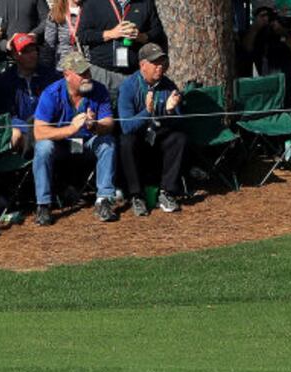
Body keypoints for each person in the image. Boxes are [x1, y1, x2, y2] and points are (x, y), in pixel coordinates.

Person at [32, 50, 118, 225]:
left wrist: (95, 126)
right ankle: (43, 205)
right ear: (67, 75)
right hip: (62, 144)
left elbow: (109, 123)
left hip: (88, 141)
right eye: (81, 73)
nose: (87, 76)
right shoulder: (51, 93)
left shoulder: (99, 89)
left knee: (107, 143)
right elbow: (38, 132)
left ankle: (104, 200)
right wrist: (70, 129)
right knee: (43, 147)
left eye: (87, 71)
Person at [115, 42, 183, 216]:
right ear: (142, 65)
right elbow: (126, 126)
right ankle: (136, 196)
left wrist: (169, 111)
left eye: (162, 62)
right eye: (155, 63)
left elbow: (180, 121)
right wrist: (147, 111)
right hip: (137, 138)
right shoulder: (129, 86)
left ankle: (166, 192)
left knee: (178, 137)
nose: (160, 67)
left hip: (158, 136)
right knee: (126, 141)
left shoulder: (169, 86)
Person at [75, 0, 162, 92]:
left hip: (134, 74)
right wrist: (110, 34)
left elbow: (158, 33)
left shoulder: (145, 3)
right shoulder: (93, 3)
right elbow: (82, 36)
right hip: (103, 74)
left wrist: (141, 37)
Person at [0, 31, 56, 152]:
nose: (33, 55)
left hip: (48, 128)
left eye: (34, 50)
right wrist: (30, 129)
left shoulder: (50, 77)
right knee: (16, 135)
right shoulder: (5, 81)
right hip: (23, 132)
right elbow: (6, 116)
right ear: (15, 55)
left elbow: (58, 107)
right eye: (26, 52)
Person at [40, 0, 81, 71]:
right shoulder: (56, 12)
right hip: (64, 68)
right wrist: (45, 70)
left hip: (91, 67)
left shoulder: (91, 9)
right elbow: (49, 46)